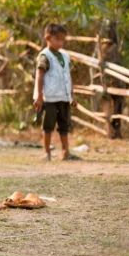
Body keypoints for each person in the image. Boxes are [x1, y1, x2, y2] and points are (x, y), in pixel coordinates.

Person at [33, 23, 81, 161]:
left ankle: (66, 152)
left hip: (64, 97)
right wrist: (39, 96)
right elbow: (39, 76)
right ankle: (46, 153)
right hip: (50, 98)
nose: (61, 42)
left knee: (64, 125)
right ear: (48, 37)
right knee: (48, 126)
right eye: (58, 39)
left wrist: (72, 95)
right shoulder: (44, 56)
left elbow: (69, 76)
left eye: (63, 39)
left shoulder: (65, 56)